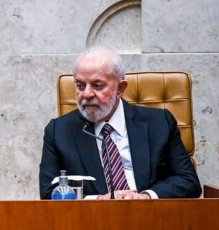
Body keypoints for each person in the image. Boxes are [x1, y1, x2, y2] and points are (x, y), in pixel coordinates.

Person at [39, 48, 200, 199]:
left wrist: (146, 196)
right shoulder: (59, 131)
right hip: (90, 222)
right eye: (80, 85)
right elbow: (48, 192)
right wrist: (98, 200)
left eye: (97, 85)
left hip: (151, 218)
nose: (86, 94)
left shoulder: (159, 123)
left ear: (120, 88)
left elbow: (188, 181)